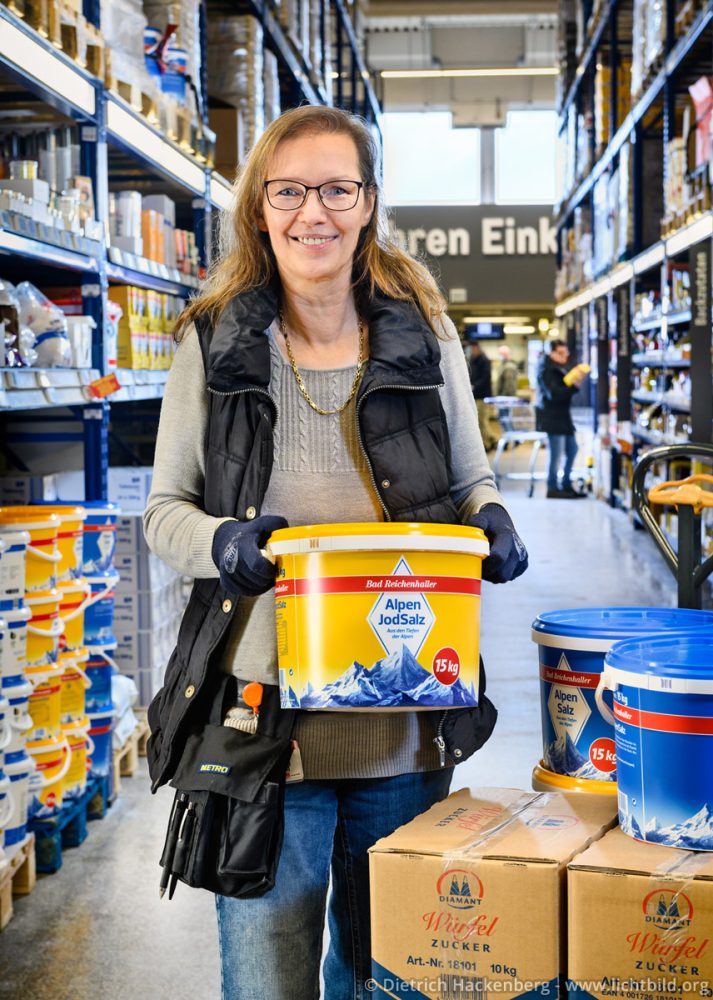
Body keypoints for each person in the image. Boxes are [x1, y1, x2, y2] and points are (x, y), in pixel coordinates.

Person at [143, 105, 529, 1000]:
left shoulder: (423, 334)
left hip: (403, 719)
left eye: (335, 188)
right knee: (269, 978)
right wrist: (224, 541)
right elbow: (163, 513)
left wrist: (495, 521)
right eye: (289, 190)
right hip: (261, 722)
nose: (311, 212)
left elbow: (473, 477)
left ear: (367, 203)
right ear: (259, 207)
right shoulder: (213, 342)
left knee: (382, 976)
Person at [535, 339, 587, 499]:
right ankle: (552, 487)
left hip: (563, 417)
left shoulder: (560, 367)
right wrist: (573, 387)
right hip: (552, 417)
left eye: (566, 353)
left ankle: (565, 484)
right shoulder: (545, 368)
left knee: (573, 449)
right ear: (552, 353)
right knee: (556, 454)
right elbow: (553, 393)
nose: (565, 356)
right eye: (561, 353)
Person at [467, 341, 500, 450]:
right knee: (481, 421)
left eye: (473, 348)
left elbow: (485, 378)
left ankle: (486, 444)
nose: (472, 351)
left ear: (477, 348)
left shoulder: (484, 361)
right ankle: (494, 439)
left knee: (482, 420)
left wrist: (474, 386)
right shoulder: (473, 360)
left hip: (483, 396)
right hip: (476, 395)